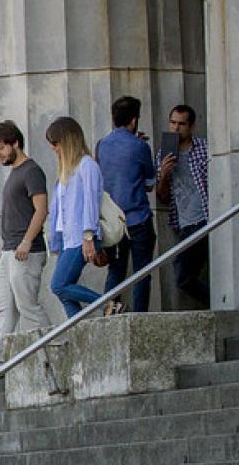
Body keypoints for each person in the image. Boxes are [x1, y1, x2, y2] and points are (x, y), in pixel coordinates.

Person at [0, 120, 53, 384]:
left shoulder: (32, 171)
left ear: (15, 143)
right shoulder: (15, 174)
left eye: (0, 147)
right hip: (9, 252)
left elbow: (41, 210)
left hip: (25, 251)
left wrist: (26, 241)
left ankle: (53, 354)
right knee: (3, 309)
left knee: (28, 306)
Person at [97, 96, 157, 312]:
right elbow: (150, 184)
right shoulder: (140, 146)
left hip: (113, 220)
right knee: (142, 273)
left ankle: (108, 314)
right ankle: (139, 317)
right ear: (134, 120)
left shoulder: (101, 145)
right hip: (137, 217)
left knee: (115, 271)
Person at [46, 117, 106, 318]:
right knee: (64, 291)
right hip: (66, 237)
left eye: (56, 143)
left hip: (80, 235)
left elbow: (91, 201)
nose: (53, 148)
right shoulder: (66, 171)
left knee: (59, 285)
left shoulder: (87, 165)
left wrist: (88, 235)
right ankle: (77, 329)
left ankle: (107, 303)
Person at [155, 104, 210, 307]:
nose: (176, 128)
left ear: (191, 126)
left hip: (205, 219)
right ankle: (215, 302)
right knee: (184, 276)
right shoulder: (163, 154)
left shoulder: (204, 149)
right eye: (172, 123)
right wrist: (164, 175)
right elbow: (163, 198)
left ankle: (217, 303)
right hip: (184, 225)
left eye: (181, 124)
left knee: (184, 273)